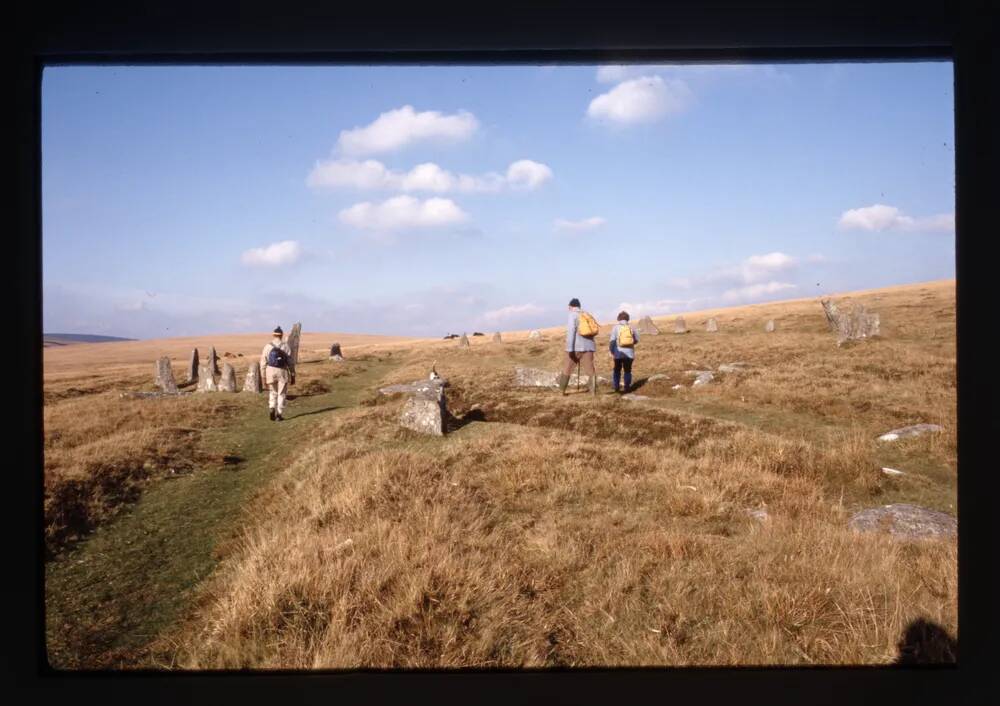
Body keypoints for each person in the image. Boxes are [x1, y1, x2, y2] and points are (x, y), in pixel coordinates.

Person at [557, 298, 598, 396]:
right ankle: (593, 393)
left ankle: (561, 391)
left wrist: (569, 349)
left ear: (571, 306)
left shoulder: (572, 315)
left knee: (567, 368)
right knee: (590, 370)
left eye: (569, 307)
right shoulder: (587, 315)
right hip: (589, 347)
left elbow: (571, 332)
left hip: (576, 347)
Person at [260, 326, 295, 421]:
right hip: (282, 371)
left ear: (273, 335)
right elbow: (290, 362)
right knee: (282, 393)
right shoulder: (285, 346)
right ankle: (279, 414)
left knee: (273, 392)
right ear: (282, 335)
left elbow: (263, 363)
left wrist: (263, 377)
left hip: (270, 371)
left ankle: (272, 407)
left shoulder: (267, 346)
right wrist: (292, 374)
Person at [608, 311, 639, 393]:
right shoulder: (632, 327)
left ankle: (616, 387)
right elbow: (636, 340)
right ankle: (627, 387)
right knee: (628, 370)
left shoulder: (615, 327)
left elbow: (612, 341)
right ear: (627, 318)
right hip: (629, 353)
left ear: (619, 318)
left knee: (617, 370)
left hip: (618, 353)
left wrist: (611, 351)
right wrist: (630, 344)